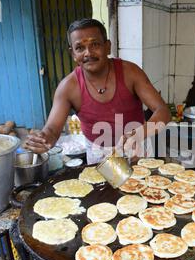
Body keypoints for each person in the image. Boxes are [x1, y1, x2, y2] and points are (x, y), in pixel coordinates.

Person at [25, 19, 171, 163]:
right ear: (73, 54)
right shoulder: (68, 87)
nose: (88, 53)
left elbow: (163, 110)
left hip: (137, 147)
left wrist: (138, 134)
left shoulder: (130, 72)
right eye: (80, 48)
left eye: (95, 44)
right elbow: (52, 129)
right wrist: (43, 139)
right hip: (97, 156)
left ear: (107, 47)